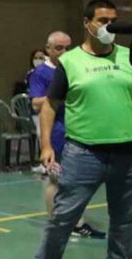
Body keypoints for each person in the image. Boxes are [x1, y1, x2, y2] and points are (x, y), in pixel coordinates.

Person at [36, 0, 132, 259]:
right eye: (103, 21)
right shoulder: (70, 62)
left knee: (123, 226)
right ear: (87, 23)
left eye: (113, 21)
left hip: (130, 156)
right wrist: (46, 145)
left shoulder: (131, 57)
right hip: (83, 155)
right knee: (62, 220)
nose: (109, 26)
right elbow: (49, 106)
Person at [30, 30, 106, 238]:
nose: (64, 51)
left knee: (76, 180)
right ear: (48, 49)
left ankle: (75, 221)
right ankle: (58, 223)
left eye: (67, 47)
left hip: (77, 130)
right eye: (59, 48)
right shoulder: (41, 73)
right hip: (55, 131)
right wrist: (59, 95)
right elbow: (35, 101)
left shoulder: (73, 66)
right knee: (56, 179)